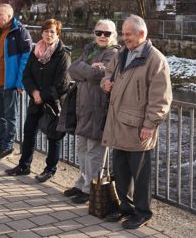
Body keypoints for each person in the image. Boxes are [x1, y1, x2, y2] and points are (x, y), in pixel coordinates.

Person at [101, 14, 172, 229]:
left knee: (140, 175)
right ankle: (125, 208)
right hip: (118, 122)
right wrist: (105, 82)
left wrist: (150, 125)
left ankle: (142, 212)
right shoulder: (122, 53)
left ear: (142, 34)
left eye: (128, 34)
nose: (124, 38)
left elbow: (161, 98)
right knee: (121, 170)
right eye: (123, 34)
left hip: (139, 126)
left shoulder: (156, 60)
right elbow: (108, 72)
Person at [5, 19, 71, 182]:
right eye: (46, 31)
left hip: (53, 102)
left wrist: (43, 95)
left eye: (52, 32)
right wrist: (34, 92)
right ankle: (24, 165)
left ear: (58, 34)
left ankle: (50, 169)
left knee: (53, 136)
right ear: (41, 32)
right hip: (35, 100)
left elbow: (63, 83)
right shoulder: (36, 51)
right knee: (29, 132)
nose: (49, 34)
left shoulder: (63, 54)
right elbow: (26, 75)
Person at [63, 19, 120, 204]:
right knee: (82, 149)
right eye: (99, 33)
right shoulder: (90, 49)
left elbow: (97, 76)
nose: (102, 36)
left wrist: (88, 70)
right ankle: (82, 183)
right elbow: (72, 69)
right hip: (83, 108)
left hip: (98, 109)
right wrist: (90, 70)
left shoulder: (114, 53)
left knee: (95, 151)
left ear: (114, 35)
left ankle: (90, 190)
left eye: (107, 33)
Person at [0, 3, 32, 160]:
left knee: (10, 116)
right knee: (0, 115)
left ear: (9, 16)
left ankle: (7, 146)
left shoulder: (19, 32)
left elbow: (26, 58)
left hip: (10, 84)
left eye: (0, 14)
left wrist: (20, 82)